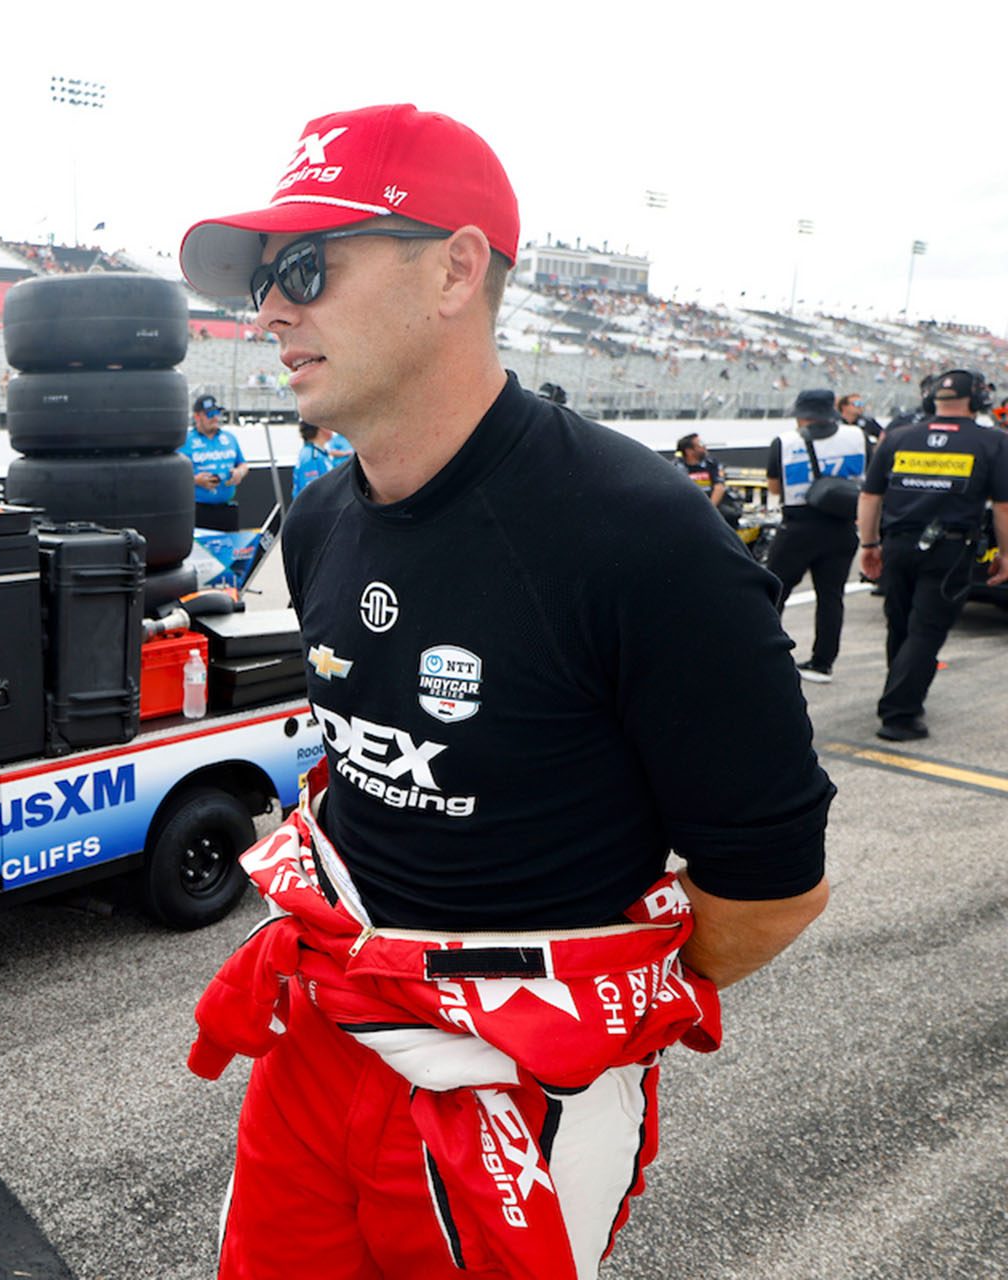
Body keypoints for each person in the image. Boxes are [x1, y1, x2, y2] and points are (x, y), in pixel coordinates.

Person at [175, 102, 831, 1280]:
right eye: (267, 276)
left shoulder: (644, 538)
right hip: (321, 1042)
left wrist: (540, 1012)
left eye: (307, 268)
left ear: (456, 270)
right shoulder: (321, 517)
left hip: (516, 1091)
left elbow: (772, 889)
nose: (268, 310)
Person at [856, 369, 1008, 741]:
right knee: (926, 630)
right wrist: (1006, 553)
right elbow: (1003, 507)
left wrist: (869, 545)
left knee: (901, 625)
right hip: (950, 549)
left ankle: (900, 693)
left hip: (897, 545)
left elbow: (870, 496)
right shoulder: (993, 442)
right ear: (978, 400)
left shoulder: (899, 437)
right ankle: (899, 714)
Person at [765, 388, 866, 683]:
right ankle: (822, 663)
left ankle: (765, 656)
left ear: (800, 414)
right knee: (831, 598)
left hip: (798, 527)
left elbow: (774, 488)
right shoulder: (856, 437)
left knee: (774, 594)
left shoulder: (784, 442)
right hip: (842, 527)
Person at [182, 393, 247, 531]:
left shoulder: (230, 438)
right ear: (197, 417)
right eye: (210, 414)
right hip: (198, 510)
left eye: (217, 413)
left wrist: (239, 472)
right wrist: (194, 480)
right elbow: (173, 475)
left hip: (227, 509)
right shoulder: (185, 441)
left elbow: (243, 464)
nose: (215, 418)